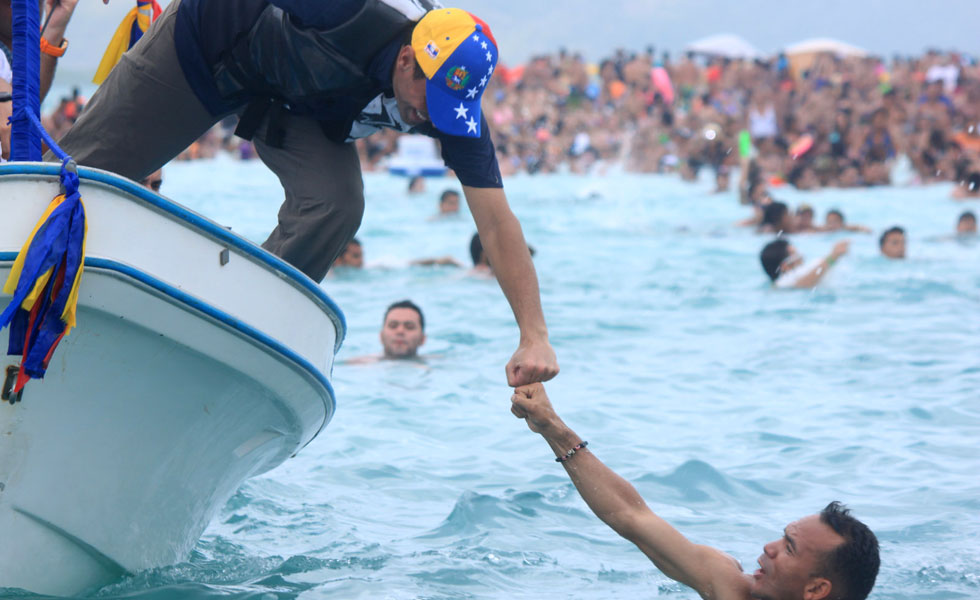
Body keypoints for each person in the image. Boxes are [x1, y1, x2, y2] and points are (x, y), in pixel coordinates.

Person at [54, 1, 558, 387]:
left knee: (337, 205)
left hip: (299, 104)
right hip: (209, 51)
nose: (434, 119)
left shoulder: (454, 115)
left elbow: (495, 221)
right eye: (433, 100)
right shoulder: (347, 10)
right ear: (406, 59)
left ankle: (236, 331)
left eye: (452, 108)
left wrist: (534, 335)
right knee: (75, 178)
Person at [511, 383, 880, 600]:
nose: (768, 547)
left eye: (788, 548)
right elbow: (632, 517)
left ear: (816, 589)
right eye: (782, 537)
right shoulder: (730, 586)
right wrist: (554, 429)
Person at [346, 299, 427, 363]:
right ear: (381, 336)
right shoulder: (359, 365)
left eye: (409, 327)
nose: (400, 331)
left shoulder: (433, 366)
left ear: (422, 339)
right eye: (393, 326)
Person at [760, 239, 849, 289]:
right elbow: (804, 284)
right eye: (796, 254)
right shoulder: (783, 284)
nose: (801, 257)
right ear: (785, 266)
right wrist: (833, 257)